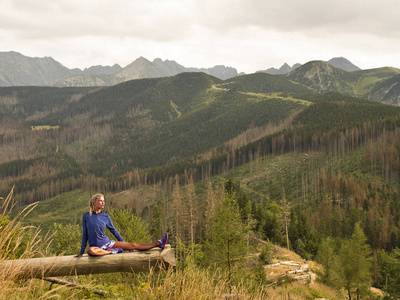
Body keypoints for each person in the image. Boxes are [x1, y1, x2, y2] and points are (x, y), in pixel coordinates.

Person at [75, 193, 168, 257]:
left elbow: (114, 231)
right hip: (97, 248)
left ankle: (159, 243)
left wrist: (123, 243)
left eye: (103, 201)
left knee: (133, 245)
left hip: (108, 243)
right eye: (100, 201)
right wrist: (81, 251)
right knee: (90, 251)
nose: (103, 203)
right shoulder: (87, 216)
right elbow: (85, 234)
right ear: (94, 202)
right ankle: (111, 251)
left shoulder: (105, 216)